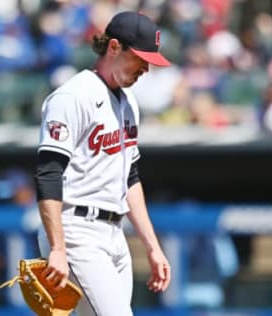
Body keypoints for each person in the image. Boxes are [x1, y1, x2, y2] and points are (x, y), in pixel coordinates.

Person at [34, 11, 171, 316]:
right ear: (113, 47)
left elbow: (130, 178)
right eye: (140, 58)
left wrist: (152, 245)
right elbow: (48, 173)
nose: (146, 68)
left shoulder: (129, 102)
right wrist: (58, 248)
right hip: (76, 230)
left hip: (115, 233)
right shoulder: (72, 96)